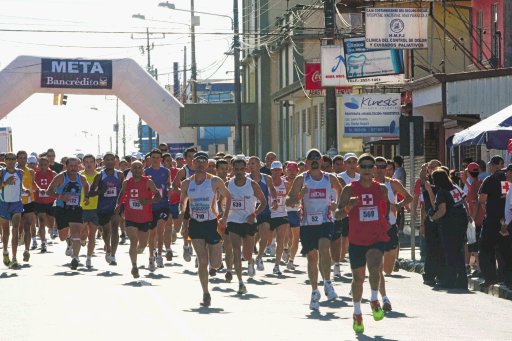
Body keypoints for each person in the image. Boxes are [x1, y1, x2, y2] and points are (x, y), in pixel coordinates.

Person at [336, 153, 390, 333]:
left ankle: (374, 299)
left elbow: (386, 207)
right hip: (357, 239)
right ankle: (357, 312)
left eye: (370, 166)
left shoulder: (381, 188)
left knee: (375, 268)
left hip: (376, 237)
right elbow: (338, 214)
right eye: (364, 166)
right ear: (358, 169)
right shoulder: (349, 189)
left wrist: (385, 222)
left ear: (374, 168)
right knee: (358, 278)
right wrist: (348, 208)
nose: (367, 170)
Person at [286, 148, 341, 311]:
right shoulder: (301, 179)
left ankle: (327, 283)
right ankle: (314, 291)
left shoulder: (329, 178)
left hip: (325, 220)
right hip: (307, 223)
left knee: (324, 248)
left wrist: (336, 204)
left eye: (317, 158)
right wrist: (299, 196)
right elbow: (289, 201)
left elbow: (341, 190)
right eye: (311, 159)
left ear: (322, 161)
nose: (315, 161)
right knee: (312, 257)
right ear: (307, 162)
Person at [179, 151, 231, 307]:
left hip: (212, 223)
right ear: (192, 164)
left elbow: (228, 197)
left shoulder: (214, 181)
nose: (200, 165)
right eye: (197, 162)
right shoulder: (187, 183)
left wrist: (225, 217)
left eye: (203, 162)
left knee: (214, 264)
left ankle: (215, 260)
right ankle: (206, 293)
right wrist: (184, 223)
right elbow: (183, 204)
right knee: (202, 261)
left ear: (208, 164)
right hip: (196, 224)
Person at [374, 156, 412, 311]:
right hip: (373, 228)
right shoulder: (366, 183)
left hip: (390, 226)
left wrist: (398, 205)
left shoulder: (392, 183)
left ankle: (374, 281)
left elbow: (409, 197)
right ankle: (380, 295)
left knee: (388, 268)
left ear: (387, 168)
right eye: (376, 166)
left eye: (383, 166)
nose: (380, 169)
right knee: (376, 264)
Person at [227, 156, 267, 294]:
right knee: (236, 251)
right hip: (233, 222)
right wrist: (223, 214)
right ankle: (240, 282)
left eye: (241, 169)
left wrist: (254, 214)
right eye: (236, 169)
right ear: (232, 169)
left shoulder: (252, 184)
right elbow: (221, 202)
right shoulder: (228, 184)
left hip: (249, 222)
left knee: (247, 253)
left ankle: (250, 261)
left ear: (246, 169)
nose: (239, 172)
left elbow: (263, 202)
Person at [115, 160, 161, 278]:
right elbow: (121, 194)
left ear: (142, 169)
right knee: (133, 241)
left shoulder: (148, 182)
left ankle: (140, 251)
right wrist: (118, 205)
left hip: (145, 218)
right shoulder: (127, 182)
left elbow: (158, 197)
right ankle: (134, 266)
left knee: (142, 245)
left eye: (139, 167)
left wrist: (148, 201)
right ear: (131, 169)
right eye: (134, 167)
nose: (137, 169)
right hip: (130, 216)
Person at [427, 168, 469, 289]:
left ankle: (450, 281)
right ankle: (462, 281)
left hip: (450, 224)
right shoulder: (455, 188)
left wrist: (432, 218)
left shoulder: (442, 192)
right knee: (458, 251)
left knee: (450, 253)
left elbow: (442, 210)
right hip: (461, 221)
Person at [47, 157, 90, 270]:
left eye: (76, 166)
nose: (73, 168)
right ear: (66, 166)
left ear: (79, 166)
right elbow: (49, 191)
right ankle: (68, 239)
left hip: (76, 209)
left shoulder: (82, 178)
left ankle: (75, 258)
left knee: (77, 233)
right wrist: (61, 197)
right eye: (71, 166)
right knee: (62, 236)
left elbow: (86, 187)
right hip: (62, 209)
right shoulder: (61, 177)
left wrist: (86, 197)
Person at [478, 156, 512, 287]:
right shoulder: (507, 180)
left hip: (493, 220)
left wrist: (487, 208)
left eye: (492, 165)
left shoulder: (490, 179)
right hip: (507, 221)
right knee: (505, 250)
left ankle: (490, 278)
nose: (490, 167)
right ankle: (505, 278)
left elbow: (482, 198)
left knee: (486, 249)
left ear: (499, 164)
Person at [89, 153, 124, 266]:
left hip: (115, 207)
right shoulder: (99, 176)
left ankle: (113, 255)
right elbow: (91, 192)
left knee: (115, 228)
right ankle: (108, 248)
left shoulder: (119, 175)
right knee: (106, 232)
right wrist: (100, 191)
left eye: (112, 159)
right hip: (103, 207)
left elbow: (124, 191)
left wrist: (121, 205)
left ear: (115, 162)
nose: (109, 161)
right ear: (103, 162)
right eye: (107, 160)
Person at [248, 156, 278, 271]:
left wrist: (275, 200)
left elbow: (272, 189)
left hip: (264, 210)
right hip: (250, 211)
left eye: (253, 163)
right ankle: (250, 260)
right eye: (249, 164)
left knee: (264, 235)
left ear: (259, 165)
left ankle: (259, 257)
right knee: (250, 238)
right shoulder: (246, 179)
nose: (251, 166)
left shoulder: (266, 178)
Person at [144, 149, 171, 269]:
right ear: (150, 159)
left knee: (161, 230)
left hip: (163, 205)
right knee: (152, 233)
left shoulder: (166, 171)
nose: (155, 159)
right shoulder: (145, 171)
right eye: (153, 157)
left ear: (161, 159)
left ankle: (160, 256)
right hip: (150, 206)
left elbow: (168, 185)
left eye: (157, 157)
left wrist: (169, 190)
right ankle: (151, 258)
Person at [0, 153, 27, 269]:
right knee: (6, 232)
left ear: (16, 160)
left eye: (13, 159)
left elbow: (20, 186)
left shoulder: (20, 172)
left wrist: (26, 190)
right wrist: (5, 183)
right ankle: (5, 252)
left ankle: (15, 258)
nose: (11, 161)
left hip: (16, 204)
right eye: (8, 159)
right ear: (5, 160)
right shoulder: (1, 172)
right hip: (4, 204)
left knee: (15, 228)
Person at [172, 146, 197, 262]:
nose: (192, 159)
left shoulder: (201, 170)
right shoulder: (183, 171)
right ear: (185, 159)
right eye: (189, 157)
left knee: (196, 226)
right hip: (186, 203)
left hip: (199, 203)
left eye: (194, 157)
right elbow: (174, 185)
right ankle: (186, 245)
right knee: (186, 226)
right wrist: (183, 194)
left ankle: (194, 245)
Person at [461, 162, 485, 276]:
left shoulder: (475, 185)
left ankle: (479, 268)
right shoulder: (478, 183)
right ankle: (470, 266)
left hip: (475, 219)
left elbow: (475, 204)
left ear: (469, 173)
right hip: (480, 218)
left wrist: (472, 219)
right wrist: (465, 180)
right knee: (472, 244)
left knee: (474, 245)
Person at [268, 161, 291, 275]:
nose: (276, 172)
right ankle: (268, 247)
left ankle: (277, 265)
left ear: (282, 171)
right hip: (269, 214)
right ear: (271, 171)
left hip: (282, 214)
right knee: (266, 239)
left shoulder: (286, 184)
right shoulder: (267, 183)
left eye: (278, 170)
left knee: (280, 240)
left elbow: (290, 197)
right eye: (274, 170)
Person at [337, 152, 360, 264]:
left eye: (354, 162)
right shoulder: (340, 177)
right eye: (349, 162)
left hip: (359, 212)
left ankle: (354, 258)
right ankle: (340, 260)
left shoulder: (360, 177)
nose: (352, 164)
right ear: (345, 164)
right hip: (345, 211)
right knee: (344, 237)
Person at [78, 154, 100, 268]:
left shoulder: (99, 176)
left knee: (92, 235)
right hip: (82, 208)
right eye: (86, 162)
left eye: (91, 162)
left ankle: (89, 258)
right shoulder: (80, 176)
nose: (89, 164)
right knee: (82, 233)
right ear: (82, 164)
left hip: (95, 208)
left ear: (95, 163)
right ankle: (82, 240)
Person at [34, 156, 57, 253]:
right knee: (42, 221)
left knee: (50, 222)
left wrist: (51, 191)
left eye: (45, 164)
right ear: (38, 165)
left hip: (51, 201)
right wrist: (39, 189)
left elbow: (58, 185)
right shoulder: (35, 174)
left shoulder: (53, 174)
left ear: (48, 164)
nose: (43, 166)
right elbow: (32, 184)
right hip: (39, 201)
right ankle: (43, 242)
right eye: (41, 164)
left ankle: (52, 229)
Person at [17, 151, 37, 263]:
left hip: (29, 201)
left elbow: (33, 184)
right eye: (20, 158)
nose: (22, 160)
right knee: (19, 225)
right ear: (17, 159)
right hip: (16, 201)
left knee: (27, 226)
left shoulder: (31, 171)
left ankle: (26, 250)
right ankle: (20, 236)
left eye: (24, 158)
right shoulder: (13, 171)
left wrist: (38, 189)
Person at [162, 153, 180, 261]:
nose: (169, 162)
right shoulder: (160, 172)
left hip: (176, 201)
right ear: (163, 162)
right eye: (167, 160)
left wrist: (176, 188)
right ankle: (168, 249)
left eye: (170, 160)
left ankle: (174, 230)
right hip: (164, 202)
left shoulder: (176, 171)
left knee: (176, 228)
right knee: (167, 227)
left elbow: (180, 184)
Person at [284, 161, 300, 270]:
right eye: (290, 170)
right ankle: (285, 249)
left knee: (295, 238)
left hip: (296, 211)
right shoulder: (282, 182)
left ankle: (291, 260)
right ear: (286, 171)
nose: (292, 172)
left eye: (294, 170)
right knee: (287, 235)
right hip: (285, 212)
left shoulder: (301, 182)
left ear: (298, 171)